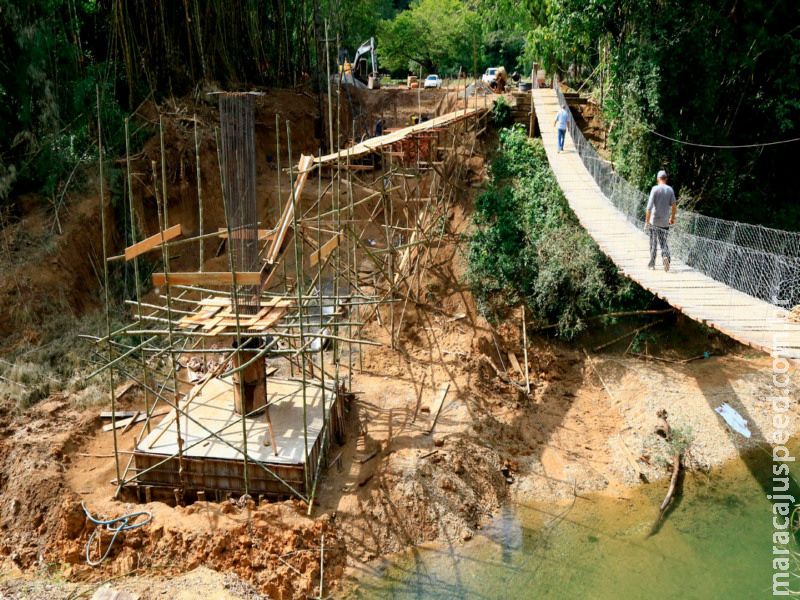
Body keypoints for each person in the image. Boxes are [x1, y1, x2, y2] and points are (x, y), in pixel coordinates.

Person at [645, 170, 677, 271]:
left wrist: (647, 221)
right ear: (666, 178)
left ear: (658, 179)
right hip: (665, 222)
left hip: (654, 221)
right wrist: (672, 218)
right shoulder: (670, 190)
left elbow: (649, 207)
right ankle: (665, 257)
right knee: (663, 242)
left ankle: (652, 264)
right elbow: (674, 206)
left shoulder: (655, 189)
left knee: (653, 242)